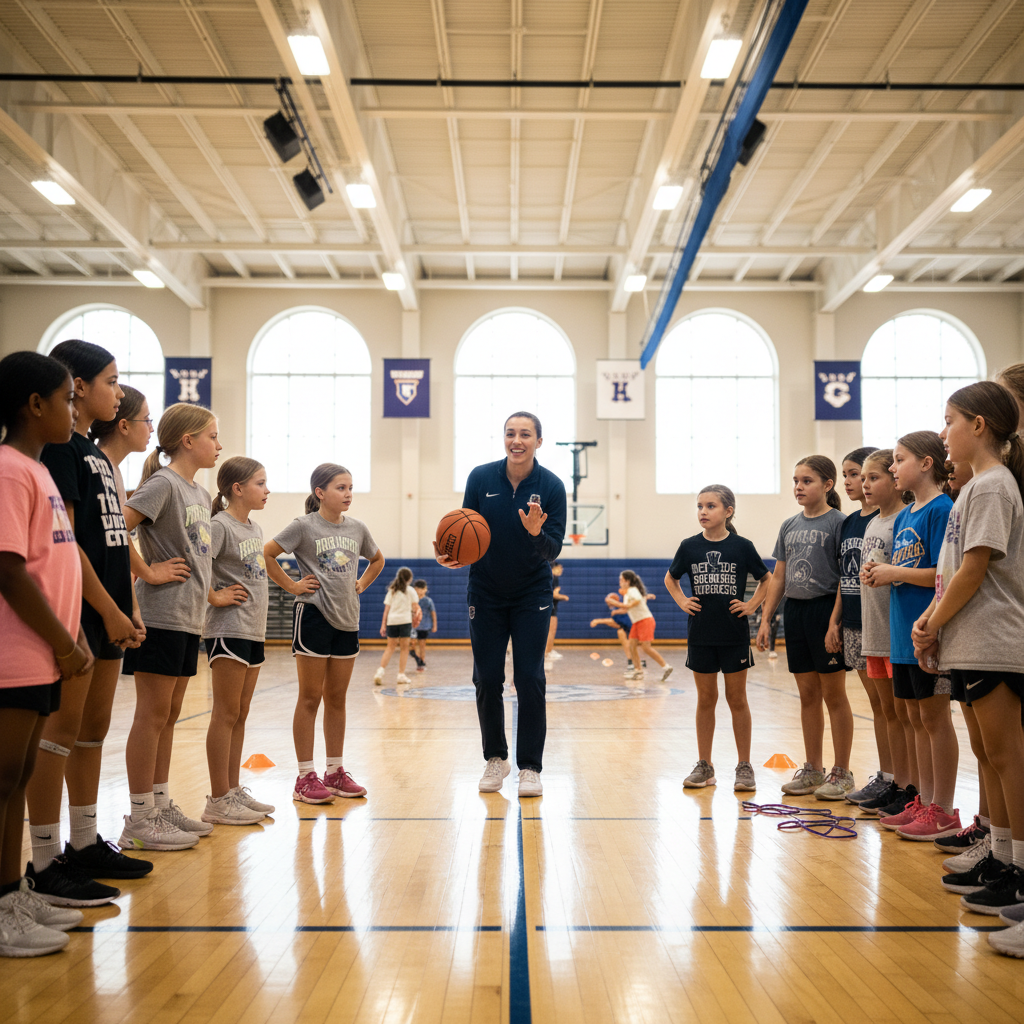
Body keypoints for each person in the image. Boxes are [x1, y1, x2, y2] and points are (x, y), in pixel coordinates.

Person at [26, 343, 148, 908]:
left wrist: (130, 606)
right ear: (76, 384)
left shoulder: (96, 454)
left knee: (94, 730)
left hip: (111, 608)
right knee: (60, 735)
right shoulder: (59, 452)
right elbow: (69, 543)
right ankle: (46, 859)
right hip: (81, 609)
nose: (118, 391)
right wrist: (105, 608)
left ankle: (83, 840)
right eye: (111, 380)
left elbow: (115, 542)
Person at [911, 383, 1024, 955]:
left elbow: (975, 570)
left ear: (979, 425)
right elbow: (951, 572)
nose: (945, 431)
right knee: (987, 753)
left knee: (1008, 757)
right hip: (969, 640)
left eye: (950, 420)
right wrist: (933, 618)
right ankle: (1002, 855)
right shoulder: (975, 487)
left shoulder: (995, 486)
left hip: (996, 640)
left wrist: (932, 622)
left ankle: (1020, 866)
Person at [0, 351, 91, 958]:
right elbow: (8, 568)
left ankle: (13, 893)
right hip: (16, 654)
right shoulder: (9, 469)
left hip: (44, 654)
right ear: (36, 405)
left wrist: (71, 635)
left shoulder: (39, 471)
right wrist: (61, 639)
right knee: (2, 782)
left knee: (18, 778)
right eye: (66, 399)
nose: (73, 408)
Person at [435, 411, 566, 798]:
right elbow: (463, 529)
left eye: (526, 434)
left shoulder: (553, 487)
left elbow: (553, 550)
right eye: (511, 433)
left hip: (532, 594)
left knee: (529, 678)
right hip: (486, 592)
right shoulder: (480, 478)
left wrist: (537, 533)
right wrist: (451, 554)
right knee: (487, 678)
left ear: (539, 441)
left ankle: (530, 766)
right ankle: (496, 758)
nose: (517, 440)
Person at [118, 403, 222, 851]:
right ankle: (139, 817)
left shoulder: (198, 494)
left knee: (171, 714)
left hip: (188, 617)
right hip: (159, 615)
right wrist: (149, 571)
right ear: (188, 441)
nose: (219, 445)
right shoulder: (163, 484)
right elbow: (116, 529)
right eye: (213, 437)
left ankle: (160, 805)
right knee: (152, 715)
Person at [265, 463, 384, 804]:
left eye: (350, 487)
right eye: (340, 488)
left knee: (337, 698)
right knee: (309, 697)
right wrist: (291, 585)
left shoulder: (357, 528)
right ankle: (305, 777)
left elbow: (377, 560)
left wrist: (362, 582)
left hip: (348, 620)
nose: (348, 494)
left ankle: (334, 771)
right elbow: (268, 553)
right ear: (320, 492)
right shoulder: (304, 526)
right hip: (314, 616)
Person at [871, 432, 959, 840]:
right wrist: (881, 574)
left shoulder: (941, 509)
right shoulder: (907, 514)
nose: (892, 467)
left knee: (935, 718)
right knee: (913, 716)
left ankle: (943, 808)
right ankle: (922, 802)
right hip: (901, 635)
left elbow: (943, 575)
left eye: (899, 459)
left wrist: (894, 572)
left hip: (928, 632)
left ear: (926, 463)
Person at [756, 455, 854, 800]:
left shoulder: (840, 522)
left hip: (825, 610)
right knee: (807, 695)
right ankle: (813, 769)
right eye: (796, 480)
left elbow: (846, 576)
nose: (799, 487)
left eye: (807, 480)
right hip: (795, 613)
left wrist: (834, 621)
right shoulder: (789, 525)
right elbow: (779, 576)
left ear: (828, 485)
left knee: (834, 695)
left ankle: (842, 772)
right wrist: (766, 618)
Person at [664, 484, 771, 791]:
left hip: (734, 634)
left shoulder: (741, 546)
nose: (703, 512)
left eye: (710, 506)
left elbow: (767, 578)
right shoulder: (689, 546)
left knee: (737, 699)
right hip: (700, 634)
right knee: (706, 699)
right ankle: (705, 765)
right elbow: (670, 578)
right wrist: (682, 601)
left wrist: (752, 605)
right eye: (700, 506)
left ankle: (744, 765)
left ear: (728, 511)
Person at [201, 457, 273, 826]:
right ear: (237, 488)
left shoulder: (254, 528)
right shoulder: (219, 525)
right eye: (260, 483)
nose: (267, 489)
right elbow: (199, 565)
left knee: (241, 713)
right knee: (225, 713)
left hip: (252, 631)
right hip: (227, 629)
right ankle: (217, 798)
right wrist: (214, 597)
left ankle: (231, 790)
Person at [855, 450, 915, 817]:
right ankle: (895, 779)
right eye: (863, 479)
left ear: (895, 480)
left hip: (896, 632)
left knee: (904, 714)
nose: (865, 485)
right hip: (873, 630)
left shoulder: (902, 521)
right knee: (886, 712)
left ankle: (912, 787)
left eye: (873, 477)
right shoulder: (872, 523)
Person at [831, 448, 884, 806]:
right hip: (850, 620)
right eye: (850, 476)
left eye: (860, 475)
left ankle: (895, 778)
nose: (855, 483)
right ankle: (888, 777)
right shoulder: (849, 522)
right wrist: (834, 620)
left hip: (876, 622)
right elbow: (843, 576)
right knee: (878, 706)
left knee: (889, 707)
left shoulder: (882, 518)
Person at [89, 385, 153, 511]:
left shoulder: (113, 467)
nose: (151, 428)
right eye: (146, 420)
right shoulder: (99, 467)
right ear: (124, 426)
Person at [607, 571, 673, 682]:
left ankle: (666, 667)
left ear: (627, 581)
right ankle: (638, 670)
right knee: (632, 645)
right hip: (637, 622)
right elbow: (626, 608)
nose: (619, 582)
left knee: (645, 647)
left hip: (645, 620)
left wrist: (615, 603)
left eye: (621, 579)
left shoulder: (632, 590)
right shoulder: (628, 592)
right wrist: (617, 610)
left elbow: (635, 602)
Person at [373, 567, 418, 686]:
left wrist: (383, 625)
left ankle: (380, 672)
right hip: (405, 621)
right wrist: (416, 617)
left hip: (392, 621)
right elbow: (415, 608)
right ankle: (401, 675)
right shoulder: (411, 591)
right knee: (404, 648)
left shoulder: (391, 590)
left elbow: (386, 610)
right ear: (409, 578)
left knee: (390, 647)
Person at [544, 561, 568, 669]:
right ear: (554, 568)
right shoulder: (553, 577)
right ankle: (547, 654)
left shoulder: (549, 577)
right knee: (551, 631)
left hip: (548, 606)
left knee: (549, 631)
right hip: (550, 606)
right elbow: (554, 594)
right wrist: (564, 597)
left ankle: (548, 652)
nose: (561, 570)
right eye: (560, 568)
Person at [411, 579, 436, 671]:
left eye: (421, 589)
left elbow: (433, 613)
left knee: (422, 645)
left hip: (424, 626)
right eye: (417, 589)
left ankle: (421, 662)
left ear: (425, 589)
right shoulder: (413, 600)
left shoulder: (428, 601)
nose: (419, 591)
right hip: (413, 626)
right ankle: (417, 658)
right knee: (412, 644)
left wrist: (434, 625)